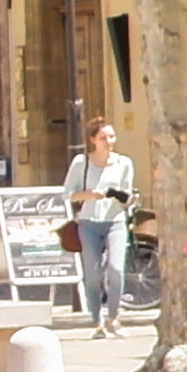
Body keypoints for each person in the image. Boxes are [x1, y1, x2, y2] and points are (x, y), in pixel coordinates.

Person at [56, 119, 136, 329]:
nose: (109, 142)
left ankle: (114, 315)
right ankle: (95, 318)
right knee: (92, 272)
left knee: (115, 268)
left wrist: (121, 197)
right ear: (93, 140)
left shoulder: (124, 163)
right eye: (103, 138)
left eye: (111, 137)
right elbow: (67, 194)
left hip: (115, 220)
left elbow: (128, 194)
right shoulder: (81, 163)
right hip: (88, 222)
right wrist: (89, 195)